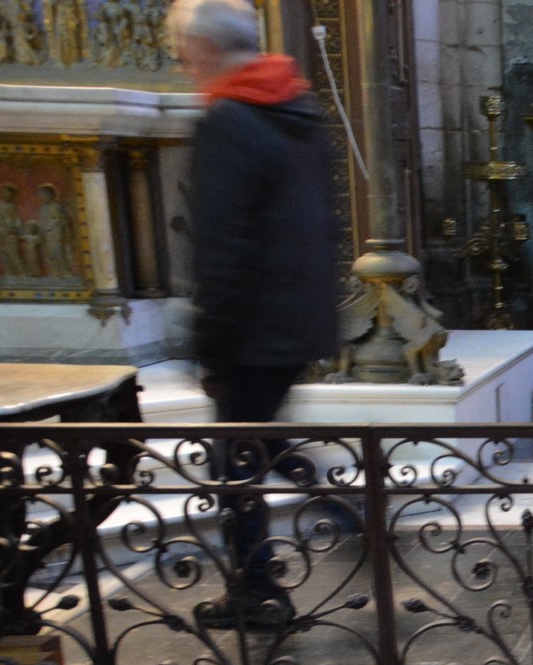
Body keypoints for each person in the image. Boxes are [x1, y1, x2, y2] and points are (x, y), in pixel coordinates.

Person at [171, 0, 340, 630]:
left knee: (233, 459)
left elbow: (222, 243)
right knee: (259, 443)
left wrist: (209, 340)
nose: (188, 69)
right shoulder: (300, 111)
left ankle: (256, 590)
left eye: (187, 57)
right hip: (296, 321)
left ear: (208, 52)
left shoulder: (229, 120)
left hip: (249, 328)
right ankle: (348, 503)